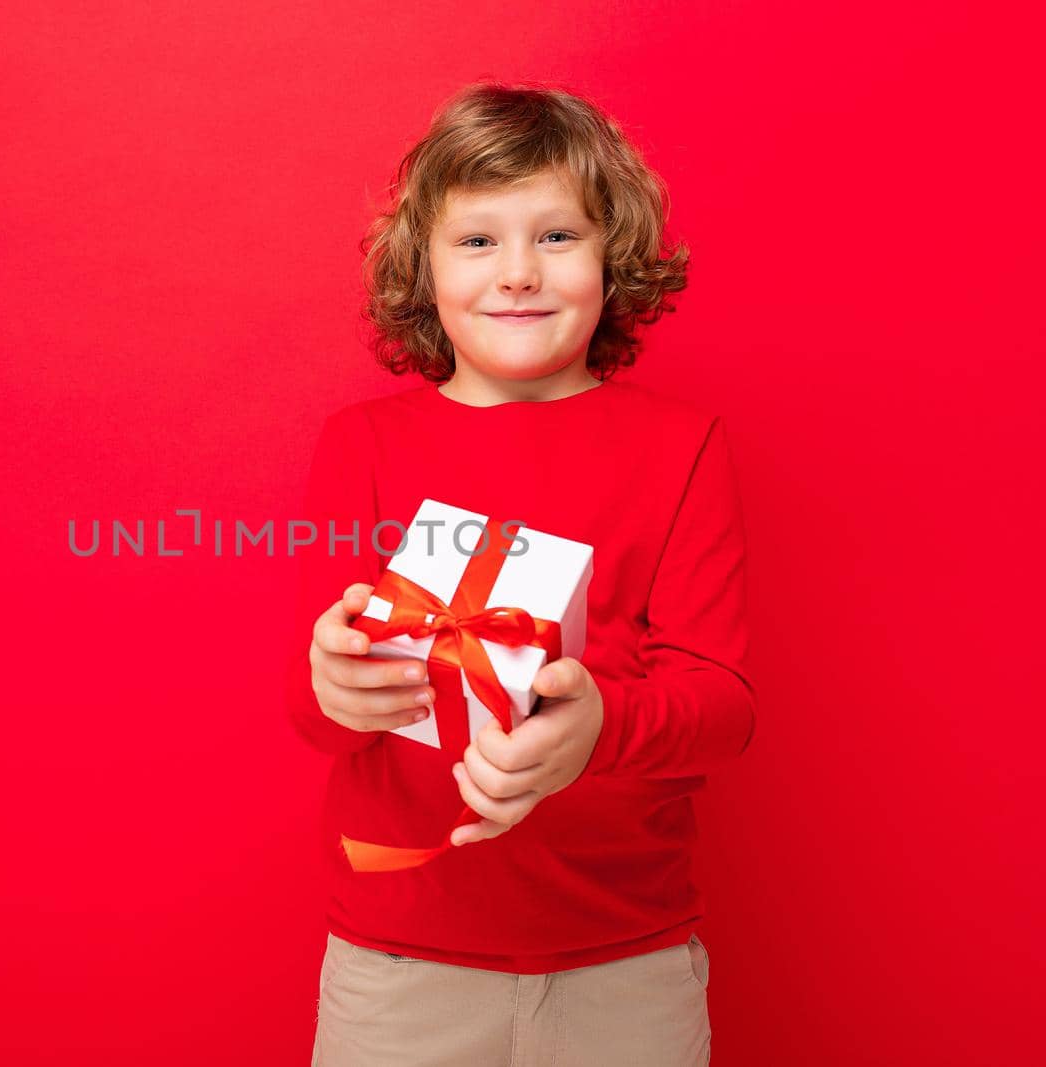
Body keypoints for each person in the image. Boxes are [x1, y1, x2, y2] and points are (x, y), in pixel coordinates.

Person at [287, 81, 756, 1066]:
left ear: (612, 255)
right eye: (476, 242)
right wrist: (335, 685)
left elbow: (722, 702)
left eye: (555, 237)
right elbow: (316, 711)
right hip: (399, 955)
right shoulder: (361, 445)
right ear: (421, 265)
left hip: (625, 959)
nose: (515, 274)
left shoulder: (682, 446)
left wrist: (601, 727)